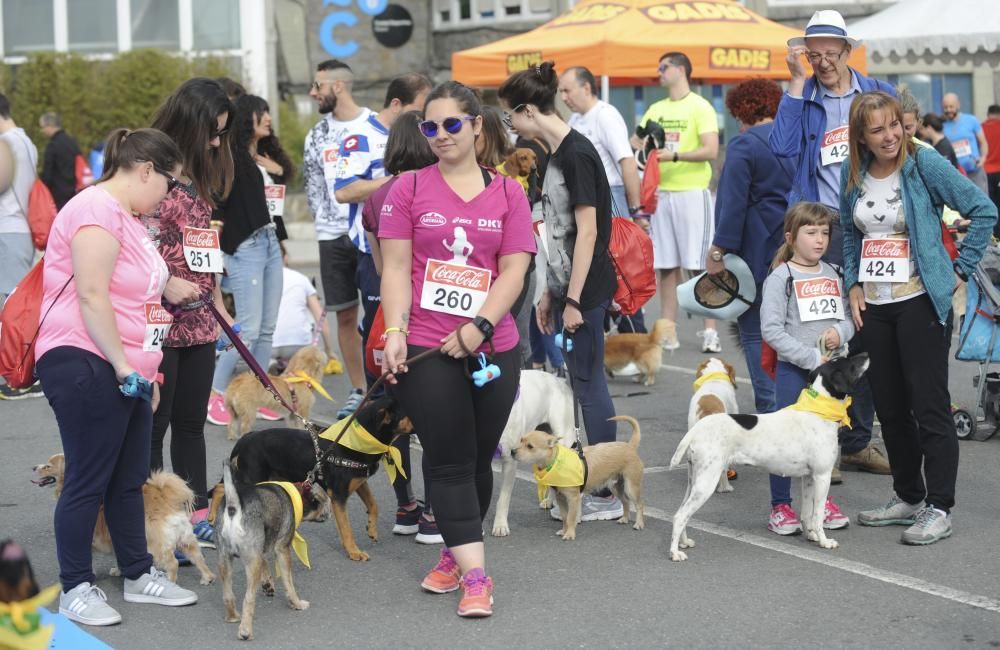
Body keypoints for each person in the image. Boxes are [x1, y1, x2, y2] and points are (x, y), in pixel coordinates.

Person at [35, 127, 201, 626]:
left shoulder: (128, 218)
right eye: (168, 184)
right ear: (146, 170)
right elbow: (91, 295)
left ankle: (137, 572)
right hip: (85, 358)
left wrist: (144, 370)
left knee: (128, 480)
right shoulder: (95, 210)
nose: (168, 196)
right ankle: (75, 587)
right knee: (87, 479)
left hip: (124, 366)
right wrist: (126, 366)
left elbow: (140, 291)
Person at [379, 81, 534, 617]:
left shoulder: (510, 192)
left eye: (450, 125)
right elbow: (395, 268)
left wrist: (480, 326)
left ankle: (451, 552)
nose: (439, 135)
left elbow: (515, 270)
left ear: (475, 126)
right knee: (446, 460)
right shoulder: (408, 189)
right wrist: (394, 332)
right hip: (427, 342)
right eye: (429, 126)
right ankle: (476, 576)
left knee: (475, 461)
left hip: (494, 345)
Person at [841, 91, 997, 545]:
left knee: (928, 406)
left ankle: (939, 507)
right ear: (862, 137)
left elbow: (983, 210)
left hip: (920, 302)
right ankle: (908, 496)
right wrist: (852, 283)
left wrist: (959, 270)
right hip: (876, 306)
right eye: (878, 130)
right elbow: (852, 237)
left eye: (894, 125)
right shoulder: (853, 175)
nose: (890, 136)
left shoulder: (923, 164)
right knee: (889, 408)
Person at [770, 8, 891, 476]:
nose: (821, 61)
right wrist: (796, 85)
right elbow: (781, 147)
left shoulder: (874, 93)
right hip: (821, 224)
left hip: (870, 223)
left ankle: (858, 439)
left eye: (829, 53)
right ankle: (824, 442)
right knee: (816, 331)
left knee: (863, 331)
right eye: (813, 53)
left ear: (847, 50)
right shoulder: (806, 96)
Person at [499, 62, 622, 520]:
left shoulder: (576, 154)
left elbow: (587, 233)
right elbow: (559, 233)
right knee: (583, 382)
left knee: (589, 386)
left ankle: (605, 491)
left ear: (529, 110)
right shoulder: (555, 154)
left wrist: (572, 299)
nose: (511, 127)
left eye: (511, 117)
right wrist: (551, 292)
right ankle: (598, 486)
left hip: (586, 291)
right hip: (569, 287)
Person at [147, 79, 236, 535]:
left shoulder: (195, 180)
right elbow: (128, 250)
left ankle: (196, 514)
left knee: (190, 424)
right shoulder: (148, 176)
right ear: (189, 124)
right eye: (213, 132)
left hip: (200, 320)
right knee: (153, 427)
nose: (217, 143)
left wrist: (218, 300)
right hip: (156, 323)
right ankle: (157, 518)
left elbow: (204, 247)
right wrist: (165, 281)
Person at [361, 109, 441, 545]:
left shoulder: (376, 198)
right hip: (429, 317)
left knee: (392, 417)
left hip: (386, 319)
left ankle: (406, 506)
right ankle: (433, 511)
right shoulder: (437, 188)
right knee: (432, 418)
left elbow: (379, 264)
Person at [334, 73, 432, 399]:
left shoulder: (428, 142)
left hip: (419, 262)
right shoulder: (359, 137)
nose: (426, 117)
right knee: (379, 332)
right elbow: (344, 191)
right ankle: (377, 401)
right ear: (396, 104)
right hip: (373, 253)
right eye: (419, 108)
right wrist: (400, 180)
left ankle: (416, 404)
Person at [760, 202, 853, 534]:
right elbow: (771, 330)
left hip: (829, 379)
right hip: (795, 371)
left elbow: (848, 318)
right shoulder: (780, 278)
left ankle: (819, 502)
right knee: (783, 440)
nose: (819, 240)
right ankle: (780, 506)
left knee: (825, 440)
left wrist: (839, 332)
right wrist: (811, 358)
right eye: (811, 233)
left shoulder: (834, 273)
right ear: (791, 236)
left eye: (825, 233)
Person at [707, 78, 794, 414]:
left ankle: (771, 412)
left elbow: (732, 204)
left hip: (758, 249)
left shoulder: (744, 145)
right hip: (799, 245)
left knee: (757, 333)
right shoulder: (794, 138)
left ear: (740, 109)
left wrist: (718, 250)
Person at [303, 59, 377, 419]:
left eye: (318, 85)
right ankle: (359, 389)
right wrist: (324, 222)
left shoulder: (376, 124)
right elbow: (313, 185)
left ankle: (387, 385)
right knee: (345, 316)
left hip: (371, 233)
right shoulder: (316, 134)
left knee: (381, 311)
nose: (312, 92)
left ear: (338, 86)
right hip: (332, 237)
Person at [632, 52, 720, 352]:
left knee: (698, 265)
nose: (658, 71)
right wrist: (646, 145)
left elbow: (711, 149)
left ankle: (710, 331)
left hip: (692, 192)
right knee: (666, 266)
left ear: (680, 69)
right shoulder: (656, 107)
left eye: (663, 66)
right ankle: (668, 330)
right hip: (662, 194)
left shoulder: (700, 106)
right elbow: (636, 141)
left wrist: (675, 155)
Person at [208, 95, 284, 424]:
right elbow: (217, 208)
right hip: (244, 247)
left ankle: (259, 392)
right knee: (248, 329)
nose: (267, 118)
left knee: (267, 329)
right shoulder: (228, 155)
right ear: (246, 118)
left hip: (268, 242)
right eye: (261, 112)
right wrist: (214, 256)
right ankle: (213, 393)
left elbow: (285, 175)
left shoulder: (255, 157)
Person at [560, 66, 647, 335]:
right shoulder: (575, 119)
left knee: (619, 271)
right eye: (560, 91)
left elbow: (627, 162)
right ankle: (612, 343)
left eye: (567, 90)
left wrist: (635, 210)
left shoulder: (606, 115)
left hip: (611, 197)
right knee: (598, 271)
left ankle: (636, 338)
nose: (563, 97)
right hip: (586, 200)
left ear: (586, 88)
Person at [0, 93, 41, 400]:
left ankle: (17, 377)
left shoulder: (9, 144)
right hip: (18, 231)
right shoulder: (25, 141)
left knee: (13, 309)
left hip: (9, 230)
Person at [942, 93, 989, 193]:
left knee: (983, 203)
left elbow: (983, 142)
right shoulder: (941, 125)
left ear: (958, 105)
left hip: (975, 172)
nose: (948, 110)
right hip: (956, 175)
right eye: (946, 107)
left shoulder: (971, 120)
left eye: (951, 106)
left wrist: (983, 158)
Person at [39, 112, 83, 210]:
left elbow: (47, 175)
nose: (42, 131)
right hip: (75, 192)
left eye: (42, 127)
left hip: (58, 196)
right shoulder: (72, 142)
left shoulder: (52, 145)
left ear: (49, 126)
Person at [983, 105, 1000, 218]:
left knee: (988, 205)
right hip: (999, 172)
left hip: (984, 173)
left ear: (988, 114)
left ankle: (992, 234)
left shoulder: (980, 128)